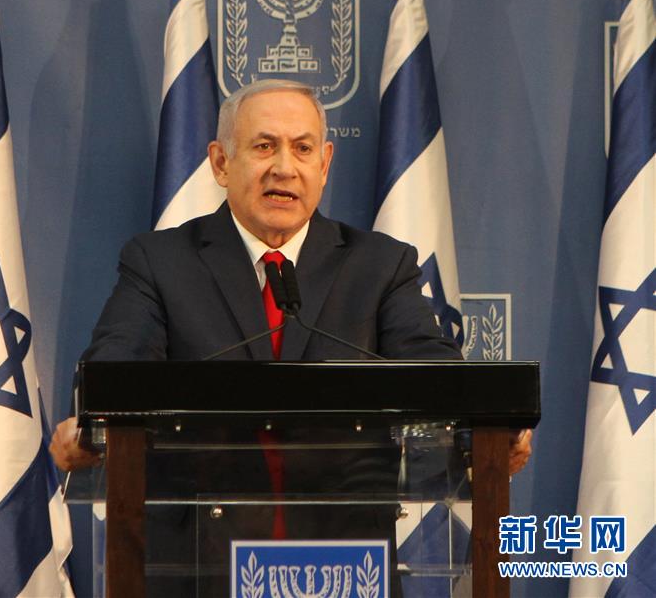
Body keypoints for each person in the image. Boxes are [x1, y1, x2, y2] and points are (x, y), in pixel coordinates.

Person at [50, 79, 532, 593]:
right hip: (200, 569)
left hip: (344, 571)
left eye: (303, 149)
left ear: (324, 164)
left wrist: (484, 433)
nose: (284, 167)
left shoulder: (379, 266)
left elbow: (436, 376)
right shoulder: (160, 262)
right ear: (220, 163)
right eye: (264, 146)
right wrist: (91, 429)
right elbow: (115, 370)